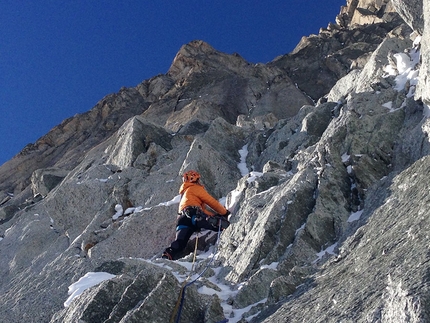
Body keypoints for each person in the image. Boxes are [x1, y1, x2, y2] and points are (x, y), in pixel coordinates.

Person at [162, 170, 231, 260]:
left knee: (180, 242)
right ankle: (218, 223)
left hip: (182, 219)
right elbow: (211, 202)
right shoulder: (195, 188)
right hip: (194, 214)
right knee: (212, 224)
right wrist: (224, 212)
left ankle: (168, 254)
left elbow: (201, 210)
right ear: (195, 179)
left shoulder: (184, 194)